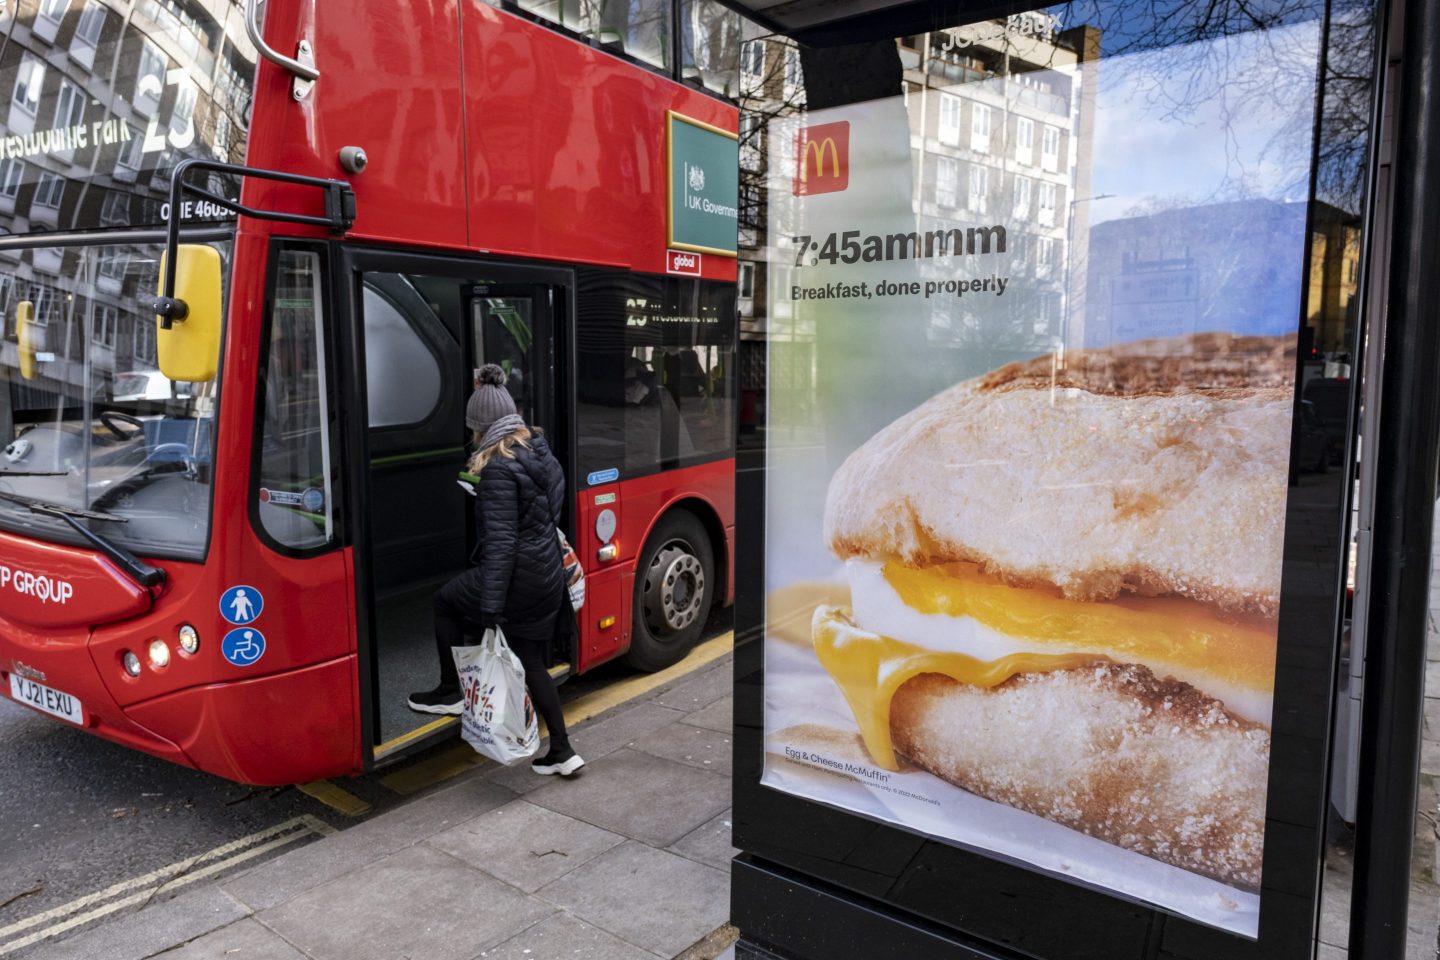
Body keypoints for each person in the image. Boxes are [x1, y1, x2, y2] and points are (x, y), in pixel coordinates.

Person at [407, 364, 583, 777]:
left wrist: (490, 606)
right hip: (547, 575)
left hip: (517, 579)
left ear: (480, 426)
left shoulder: (498, 469)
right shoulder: (540, 450)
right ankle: (562, 750)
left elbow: (502, 544)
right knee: (534, 661)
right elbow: (545, 512)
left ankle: (451, 689)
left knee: (446, 602)